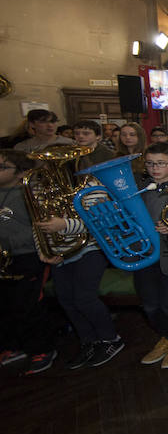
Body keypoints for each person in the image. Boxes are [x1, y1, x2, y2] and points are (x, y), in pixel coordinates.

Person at [35, 163, 125, 370]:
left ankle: (111, 339)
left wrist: (65, 225)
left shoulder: (92, 186)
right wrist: (44, 250)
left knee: (84, 298)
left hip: (91, 248)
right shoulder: (43, 190)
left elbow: (102, 221)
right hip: (60, 252)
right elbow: (37, 222)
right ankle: (89, 341)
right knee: (66, 299)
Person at [0, 150, 58, 374]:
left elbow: (40, 231)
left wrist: (7, 241)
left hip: (27, 256)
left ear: (21, 173)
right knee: (6, 303)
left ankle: (42, 348)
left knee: (29, 303)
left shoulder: (28, 196)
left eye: (3, 167)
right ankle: (13, 344)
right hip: (5, 258)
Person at [133, 142, 168, 369]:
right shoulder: (139, 190)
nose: (154, 168)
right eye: (150, 163)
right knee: (149, 305)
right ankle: (165, 336)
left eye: (160, 164)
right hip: (143, 254)